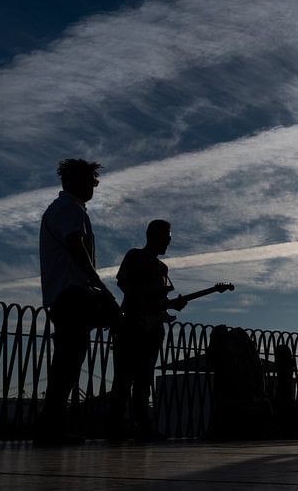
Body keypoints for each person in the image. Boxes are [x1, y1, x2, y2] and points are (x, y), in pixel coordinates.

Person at [36, 158, 108, 445]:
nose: (94, 185)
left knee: (68, 358)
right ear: (77, 181)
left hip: (67, 293)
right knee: (68, 360)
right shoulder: (69, 209)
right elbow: (76, 246)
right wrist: (97, 282)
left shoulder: (66, 208)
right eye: (92, 180)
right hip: (71, 293)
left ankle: (51, 428)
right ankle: (50, 430)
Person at [108, 219, 186, 441]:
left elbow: (161, 301)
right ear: (152, 236)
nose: (168, 243)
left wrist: (171, 304)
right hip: (131, 324)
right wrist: (147, 300)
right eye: (166, 238)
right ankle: (117, 428)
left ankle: (142, 426)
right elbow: (124, 283)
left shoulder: (162, 268)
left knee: (143, 379)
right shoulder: (134, 256)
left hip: (152, 329)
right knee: (124, 379)